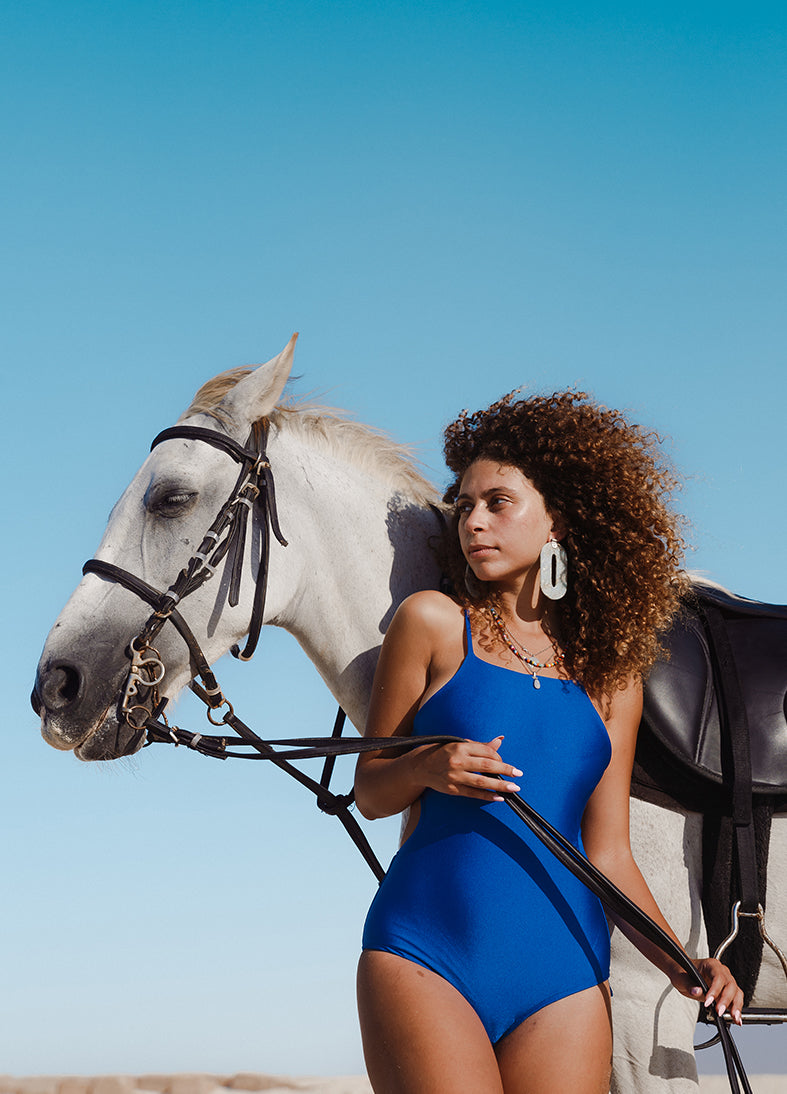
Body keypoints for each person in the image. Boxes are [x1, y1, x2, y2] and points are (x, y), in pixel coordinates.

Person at [353, 389, 742, 1094]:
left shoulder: (610, 677)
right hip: (425, 952)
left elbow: (610, 853)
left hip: (563, 973)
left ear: (557, 519)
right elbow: (370, 790)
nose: (473, 521)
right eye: (463, 505)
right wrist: (427, 763)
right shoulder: (433, 623)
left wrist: (684, 965)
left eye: (497, 502)